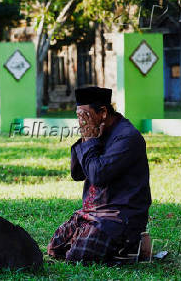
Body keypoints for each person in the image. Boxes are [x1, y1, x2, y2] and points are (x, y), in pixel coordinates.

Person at [47, 86, 152, 263]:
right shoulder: (95, 133)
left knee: (77, 257)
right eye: (78, 115)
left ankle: (133, 245)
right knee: (55, 248)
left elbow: (98, 176)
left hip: (119, 216)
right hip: (92, 213)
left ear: (103, 112)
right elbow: (77, 173)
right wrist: (85, 139)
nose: (81, 122)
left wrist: (90, 141)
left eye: (85, 115)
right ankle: (106, 242)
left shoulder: (127, 137)